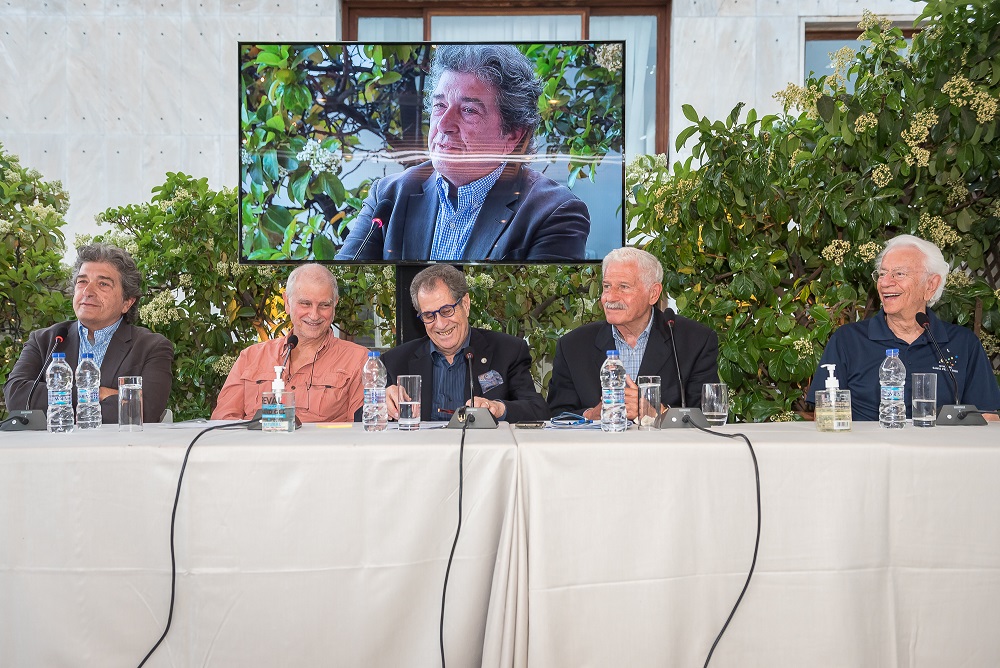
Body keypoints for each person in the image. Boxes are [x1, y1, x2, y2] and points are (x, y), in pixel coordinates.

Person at [336, 44, 591, 262]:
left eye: (469, 110)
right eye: (440, 105)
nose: (443, 124)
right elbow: (345, 285)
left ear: (513, 134)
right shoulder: (388, 196)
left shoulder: (554, 213)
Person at [808, 234, 999, 421]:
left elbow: (987, 416)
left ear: (931, 285)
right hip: (868, 442)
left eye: (899, 274)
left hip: (938, 442)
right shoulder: (848, 340)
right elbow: (824, 415)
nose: (885, 283)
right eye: (882, 274)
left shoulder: (964, 343)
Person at [4, 243, 174, 423]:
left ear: (127, 302)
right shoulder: (44, 340)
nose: (88, 291)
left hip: (117, 442)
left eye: (103, 284)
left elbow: (146, 410)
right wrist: (97, 394)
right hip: (54, 441)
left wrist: (57, 404)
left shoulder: (151, 347)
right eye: (82, 281)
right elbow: (16, 396)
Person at [547, 247, 720, 421]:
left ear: (653, 294)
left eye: (623, 287)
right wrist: (590, 415)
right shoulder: (573, 346)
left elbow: (706, 418)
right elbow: (555, 415)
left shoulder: (695, 341)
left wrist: (657, 412)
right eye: (607, 286)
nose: (610, 298)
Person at [378, 264, 549, 423]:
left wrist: (498, 408)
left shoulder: (508, 351)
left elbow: (537, 410)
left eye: (446, 311)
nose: (440, 324)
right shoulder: (394, 362)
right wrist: (381, 403)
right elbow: (366, 417)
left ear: (465, 304)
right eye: (429, 316)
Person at [212, 264, 368, 422]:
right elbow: (222, 421)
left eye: (324, 305)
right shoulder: (250, 357)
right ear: (287, 302)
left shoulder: (359, 360)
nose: (314, 315)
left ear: (335, 304)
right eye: (305, 303)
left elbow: (363, 429)